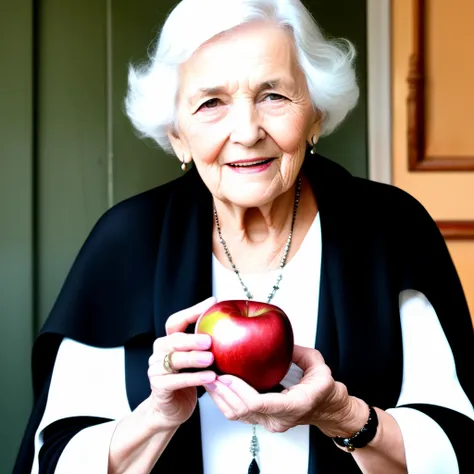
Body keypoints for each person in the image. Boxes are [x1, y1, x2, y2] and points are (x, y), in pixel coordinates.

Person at [13, 0, 474, 473]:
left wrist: (342, 414)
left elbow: (458, 442)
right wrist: (157, 417)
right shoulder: (126, 242)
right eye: (211, 103)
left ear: (315, 114)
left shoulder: (389, 228)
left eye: (273, 96)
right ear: (177, 135)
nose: (247, 131)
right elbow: (54, 459)